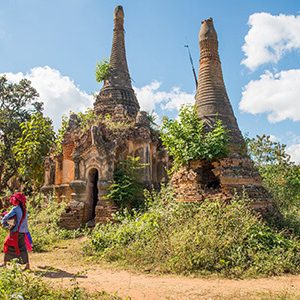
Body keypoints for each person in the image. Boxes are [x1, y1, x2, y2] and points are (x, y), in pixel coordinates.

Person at [1, 192, 30, 270]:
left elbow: (6, 217)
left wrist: (3, 223)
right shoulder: (25, 209)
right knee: (22, 248)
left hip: (15, 232)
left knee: (7, 244)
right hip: (23, 232)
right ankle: (27, 265)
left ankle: (5, 263)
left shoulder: (15, 208)